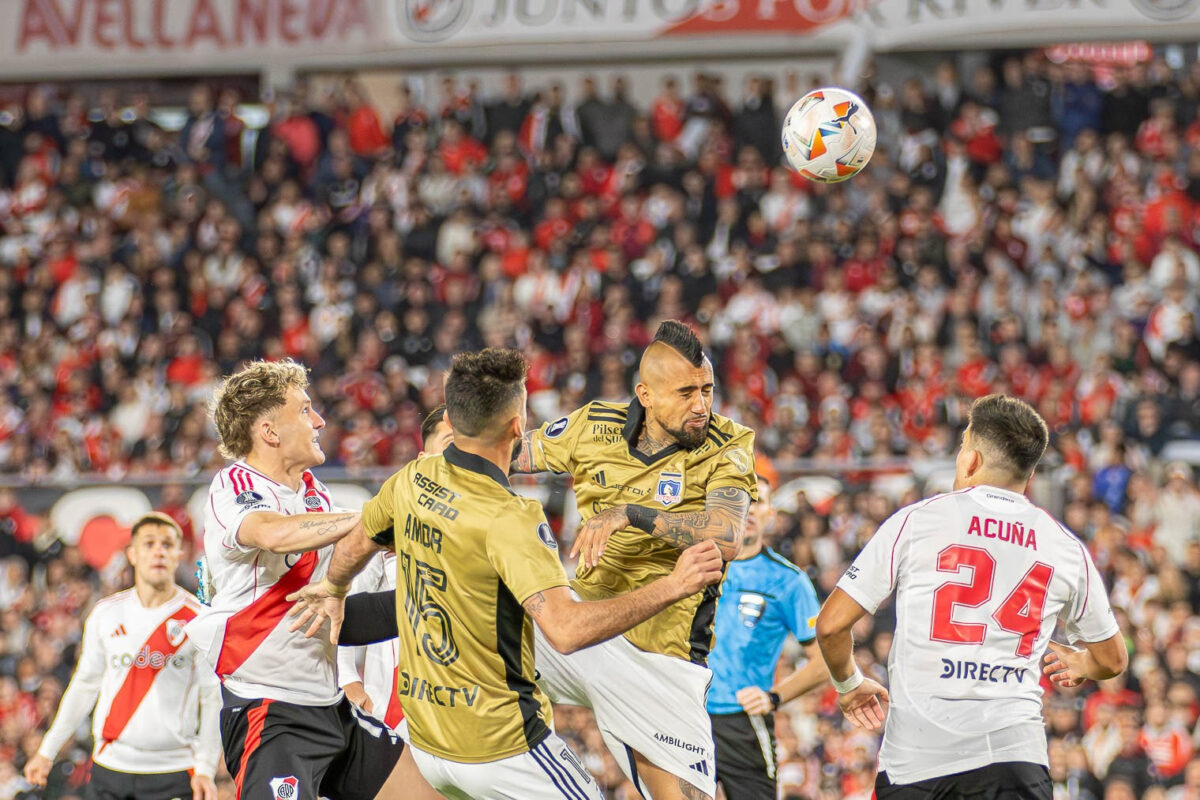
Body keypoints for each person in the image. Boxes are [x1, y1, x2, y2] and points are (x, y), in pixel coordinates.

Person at [288, 348, 726, 800]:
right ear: (519, 425)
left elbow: (358, 540)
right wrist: (672, 586)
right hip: (501, 748)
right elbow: (566, 631)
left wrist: (332, 587)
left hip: (427, 744)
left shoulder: (412, 479)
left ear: (454, 422)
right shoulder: (511, 518)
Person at [816, 394, 1128, 800]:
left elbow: (831, 624)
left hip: (918, 761)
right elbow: (1113, 660)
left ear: (971, 460)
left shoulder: (917, 520)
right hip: (1016, 758)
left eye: (963, 444)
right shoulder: (1065, 546)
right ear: (1029, 476)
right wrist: (1083, 662)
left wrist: (849, 683)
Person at [513, 320, 758, 800]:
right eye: (687, 392)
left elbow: (727, 534)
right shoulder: (592, 425)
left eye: (707, 389)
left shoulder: (728, 443)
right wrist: (449, 436)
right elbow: (506, 453)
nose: (702, 405)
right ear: (645, 394)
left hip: (661, 661)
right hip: (584, 630)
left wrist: (631, 514)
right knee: (467, 618)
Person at [184, 359, 406, 800]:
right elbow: (273, 533)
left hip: (329, 704)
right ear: (270, 432)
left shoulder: (313, 491)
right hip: (271, 712)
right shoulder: (233, 484)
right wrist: (375, 517)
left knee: (437, 791)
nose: (320, 421)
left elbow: (348, 552)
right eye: (305, 410)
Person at [24, 512, 221, 800]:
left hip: (175, 769)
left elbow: (212, 697)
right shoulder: (106, 613)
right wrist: (47, 751)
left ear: (179, 553)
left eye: (167, 544)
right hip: (110, 766)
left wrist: (205, 767)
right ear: (131, 554)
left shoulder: (199, 619)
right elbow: (84, 686)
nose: (158, 552)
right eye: (149, 543)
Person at [336, 405, 450, 800]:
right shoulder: (390, 525)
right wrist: (347, 677)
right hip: (395, 716)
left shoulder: (507, 522)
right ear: (423, 459)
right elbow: (338, 601)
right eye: (450, 444)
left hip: (471, 716)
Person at [706, 473, 827, 800]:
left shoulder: (788, 581)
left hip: (742, 723)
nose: (747, 509)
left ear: (770, 513)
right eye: (739, 499)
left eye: (756, 500)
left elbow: (824, 662)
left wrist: (774, 697)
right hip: (685, 711)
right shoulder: (694, 565)